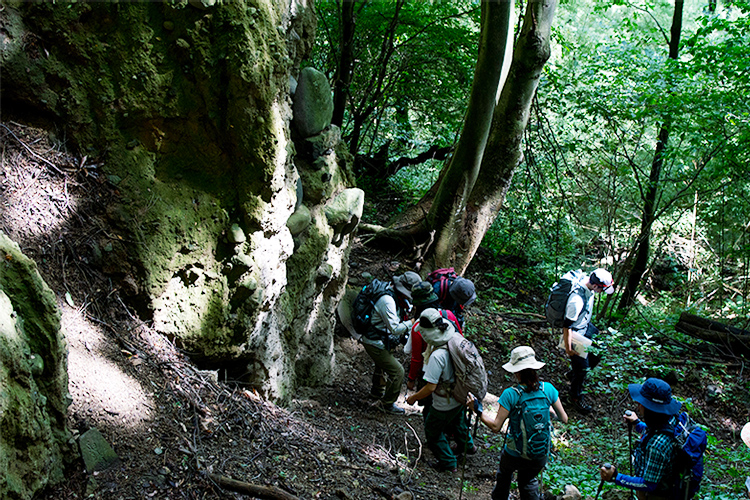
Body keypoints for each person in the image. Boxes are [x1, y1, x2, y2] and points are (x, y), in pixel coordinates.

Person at [468, 345, 567, 500]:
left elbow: (495, 427)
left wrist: (478, 411)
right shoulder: (548, 389)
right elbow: (564, 418)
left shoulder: (511, 394)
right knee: (527, 480)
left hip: (515, 454)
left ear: (516, 371)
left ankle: (500, 498)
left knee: (505, 473)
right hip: (541, 453)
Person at [405, 308, 475, 472]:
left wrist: (413, 398)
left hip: (444, 401)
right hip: (460, 395)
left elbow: (430, 387)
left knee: (433, 431)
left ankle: (448, 462)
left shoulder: (437, 356)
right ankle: (468, 447)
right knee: (458, 422)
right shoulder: (453, 340)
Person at [598, 377, 682, 499]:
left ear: (650, 409)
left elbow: (648, 484)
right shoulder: (668, 418)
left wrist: (616, 477)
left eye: (641, 403)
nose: (638, 406)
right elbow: (656, 431)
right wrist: (637, 423)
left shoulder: (656, 446)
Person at [361, 271, 421, 414]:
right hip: (374, 341)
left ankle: (377, 391)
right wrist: (412, 322)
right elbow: (394, 328)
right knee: (398, 372)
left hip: (379, 338)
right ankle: (387, 404)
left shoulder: (393, 294)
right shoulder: (387, 300)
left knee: (383, 364)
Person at [560, 268, 614, 414]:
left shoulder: (588, 284)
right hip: (576, 334)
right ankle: (575, 397)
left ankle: (573, 374)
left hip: (586, 327)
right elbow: (567, 326)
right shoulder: (576, 300)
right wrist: (568, 347)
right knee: (582, 369)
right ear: (595, 286)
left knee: (598, 353)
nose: (601, 293)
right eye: (602, 290)